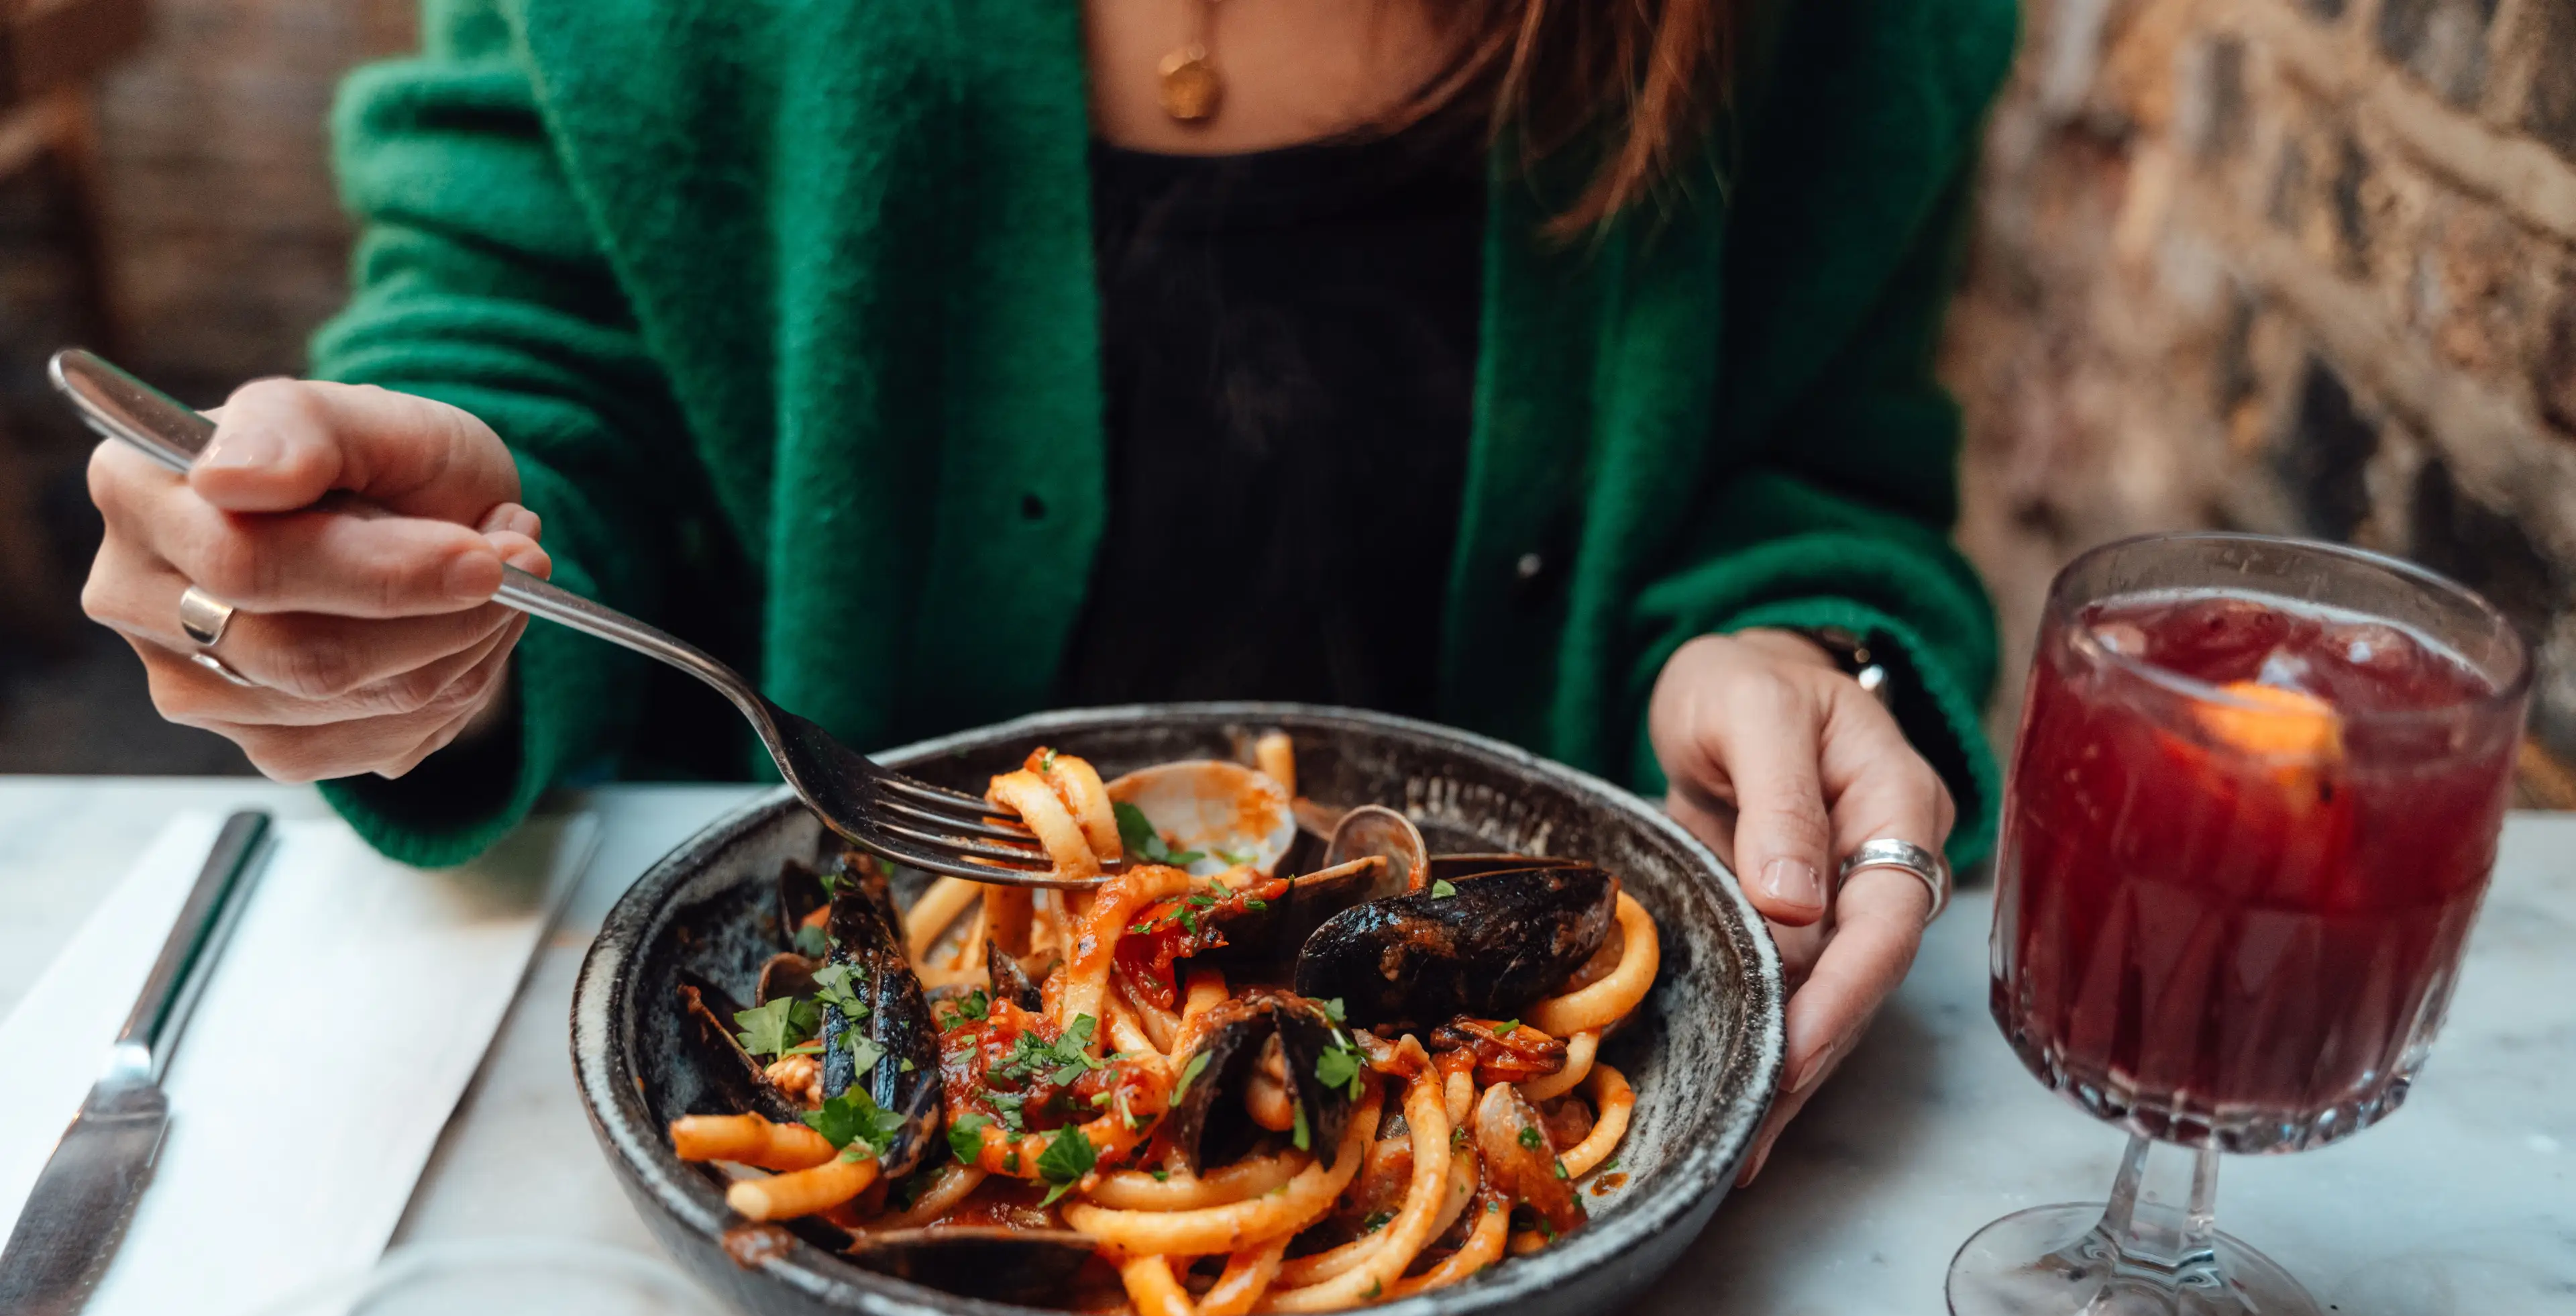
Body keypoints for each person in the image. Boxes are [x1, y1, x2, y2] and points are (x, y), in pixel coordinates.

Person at [78, 0, 2015, 1180]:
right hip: (760, 1151)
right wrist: (417, 583)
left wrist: (1795, 645)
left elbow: (1820, 464)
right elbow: (540, 335)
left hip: (1561, 1235)